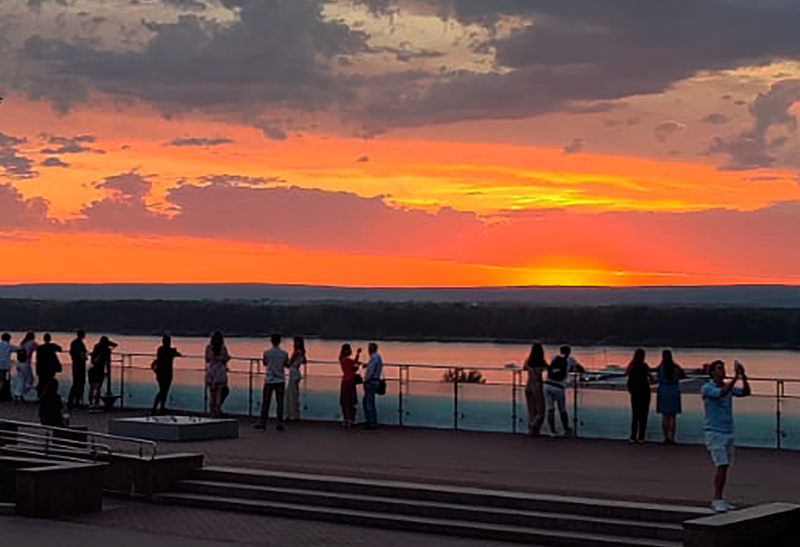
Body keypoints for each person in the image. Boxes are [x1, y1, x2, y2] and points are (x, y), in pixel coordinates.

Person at [702, 359, 751, 513]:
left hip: (728, 431)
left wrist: (743, 377)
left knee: (726, 466)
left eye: (723, 369)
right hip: (714, 432)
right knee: (721, 465)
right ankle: (716, 499)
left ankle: (721, 498)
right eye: (719, 369)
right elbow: (720, 394)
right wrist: (735, 377)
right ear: (712, 372)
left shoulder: (727, 386)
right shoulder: (707, 388)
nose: (722, 371)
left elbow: (745, 392)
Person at [545, 346, 583, 436]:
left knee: (550, 409)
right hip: (559, 387)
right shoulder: (570, 360)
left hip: (547, 385)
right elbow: (580, 368)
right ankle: (566, 428)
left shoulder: (554, 358)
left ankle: (552, 431)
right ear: (569, 352)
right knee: (562, 409)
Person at [256, 333, 289, 431]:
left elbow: (265, 363)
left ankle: (263, 422)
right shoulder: (284, 353)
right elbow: (286, 364)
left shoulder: (266, 352)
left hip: (269, 379)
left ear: (271, 341)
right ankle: (279, 422)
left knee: (266, 402)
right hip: (280, 379)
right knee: (280, 402)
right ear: (279, 341)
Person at [656, 349, 686, 445]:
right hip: (673, 390)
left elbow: (658, 378)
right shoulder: (676, 367)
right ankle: (672, 437)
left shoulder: (660, 367)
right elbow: (683, 375)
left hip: (663, 390)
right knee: (672, 416)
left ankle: (665, 437)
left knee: (665, 416)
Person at [626, 348, 652, 444]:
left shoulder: (632, 366)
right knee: (644, 415)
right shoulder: (645, 366)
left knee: (635, 415)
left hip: (635, 392)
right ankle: (641, 436)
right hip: (644, 391)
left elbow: (627, 374)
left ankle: (633, 436)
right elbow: (650, 377)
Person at [152, 335, 182, 415]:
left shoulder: (160, 349)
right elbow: (179, 354)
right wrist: (174, 350)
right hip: (167, 373)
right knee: (164, 391)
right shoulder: (170, 350)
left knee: (163, 390)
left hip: (160, 373)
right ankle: (158, 407)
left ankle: (159, 407)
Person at [524, 343, 547, 437]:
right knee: (541, 412)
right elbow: (548, 369)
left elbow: (524, 367)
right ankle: (534, 426)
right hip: (537, 386)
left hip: (528, 385)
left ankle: (532, 430)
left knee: (531, 411)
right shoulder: (541, 362)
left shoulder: (528, 361)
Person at [205, 331, 230, 419]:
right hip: (220, 373)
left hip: (211, 372)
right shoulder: (223, 348)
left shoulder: (208, 348)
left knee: (212, 395)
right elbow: (225, 358)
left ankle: (212, 413)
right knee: (219, 394)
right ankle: (217, 412)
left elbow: (207, 359)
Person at [88, 336, 117, 409]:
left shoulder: (96, 347)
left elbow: (92, 359)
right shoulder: (106, 350)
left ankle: (91, 403)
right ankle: (96, 404)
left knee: (92, 387)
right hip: (99, 370)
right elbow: (107, 361)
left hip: (92, 369)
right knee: (98, 388)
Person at [339, 344, 361, 428]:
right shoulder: (347, 360)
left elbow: (354, 363)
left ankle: (346, 419)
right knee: (350, 401)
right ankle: (350, 420)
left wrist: (357, 355)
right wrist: (357, 366)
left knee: (345, 401)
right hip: (350, 381)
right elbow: (354, 367)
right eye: (348, 349)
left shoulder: (342, 359)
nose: (349, 351)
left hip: (345, 380)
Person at [363, 343, 384, 430]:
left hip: (371, 382)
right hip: (376, 381)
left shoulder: (373, 358)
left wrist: (366, 380)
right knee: (370, 401)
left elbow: (371, 370)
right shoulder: (377, 357)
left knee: (368, 402)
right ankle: (372, 421)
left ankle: (371, 422)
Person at [285, 336, 306, 422]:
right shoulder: (302, 352)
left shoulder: (296, 352)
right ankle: (294, 414)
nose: (295, 343)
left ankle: (291, 415)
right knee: (294, 394)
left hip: (293, 373)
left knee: (291, 394)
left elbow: (289, 364)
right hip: (296, 372)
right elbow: (304, 361)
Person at [67, 330, 88, 411]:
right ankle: (76, 402)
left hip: (75, 365)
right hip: (80, 366)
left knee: (75, 383)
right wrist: (84, 358)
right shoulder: (80, 344)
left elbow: (72, 353)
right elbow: (82, 354)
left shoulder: (73, 343)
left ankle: (71, 402)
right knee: (80, 383)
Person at [13, 332, 37, 402]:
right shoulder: (32, 343)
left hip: (19, 363)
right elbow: (39, 348)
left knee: (20, 380)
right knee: (30, 380)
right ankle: (24, 394)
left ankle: (18, 394)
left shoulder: (22, 343)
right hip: (26, 364)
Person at [0, 333, 19, 402]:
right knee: (3, 379)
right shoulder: (8, 346)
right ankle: (3, 394)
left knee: (1, 379)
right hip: (5, 365)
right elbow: (18, 348)